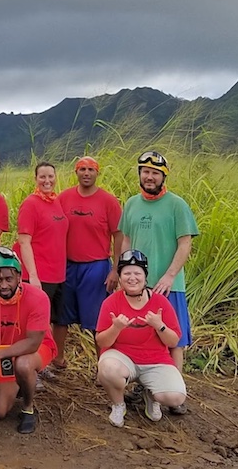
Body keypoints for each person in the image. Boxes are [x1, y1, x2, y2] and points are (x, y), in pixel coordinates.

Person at [119, 151, 198, 415]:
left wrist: (170, 275)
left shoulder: (177, 205)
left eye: (155, 173)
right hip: (137, 285)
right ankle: (145, 386)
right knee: (141, 335)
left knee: (175, 340)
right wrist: (123, 274)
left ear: (163, 176)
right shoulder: (131, 204)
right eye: (145, 172)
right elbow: (126, 241)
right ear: (140, 174)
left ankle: (177, 390)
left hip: (169, 285)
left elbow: (185, 242)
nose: (149, 177)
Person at [96, 250, 187, 426]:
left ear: (145, 277)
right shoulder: (111, 302)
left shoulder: (160, 302)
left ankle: (152, 395)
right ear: (120, 278)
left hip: (155, 360)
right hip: (122, 358)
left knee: (175, 397)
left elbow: (173, 341)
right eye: (126, 273)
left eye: (137, 273)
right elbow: (102, 342)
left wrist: (159, 325)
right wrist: (116, 328)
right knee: (107, 368)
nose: (132, 278)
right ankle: (118, 404)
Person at [0, 247, 58, 434]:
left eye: (8, 279)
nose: (4, 285)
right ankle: (21, 384)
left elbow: (33, 343)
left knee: (23, 364)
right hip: (6, 352)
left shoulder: (38, 298)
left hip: (37, 349)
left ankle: (28, 408)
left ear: (19, 277)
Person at [57, 156, 123, 347]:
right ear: (75, 172)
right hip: (67, 266)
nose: (86, 173)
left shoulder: (108, 201)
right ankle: (57, 361)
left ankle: (102, 365)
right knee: (61, 316)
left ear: (97, 173)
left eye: (91, 169)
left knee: (98, 319)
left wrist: (115, 270)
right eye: (82, 169)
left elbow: (118, 235)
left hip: (96, 267)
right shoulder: (64, 198)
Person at [14, 162, 69, 371]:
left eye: (50, 176)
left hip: (58, 274)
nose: (47, 181)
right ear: (35, 179)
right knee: (35, 326)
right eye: (42, 177)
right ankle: (31, 369)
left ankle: (47, 363)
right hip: (38, 275)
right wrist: (33, 276)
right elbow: (24, 241)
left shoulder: (57, 202)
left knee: (53, 322)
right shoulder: (30, 204)